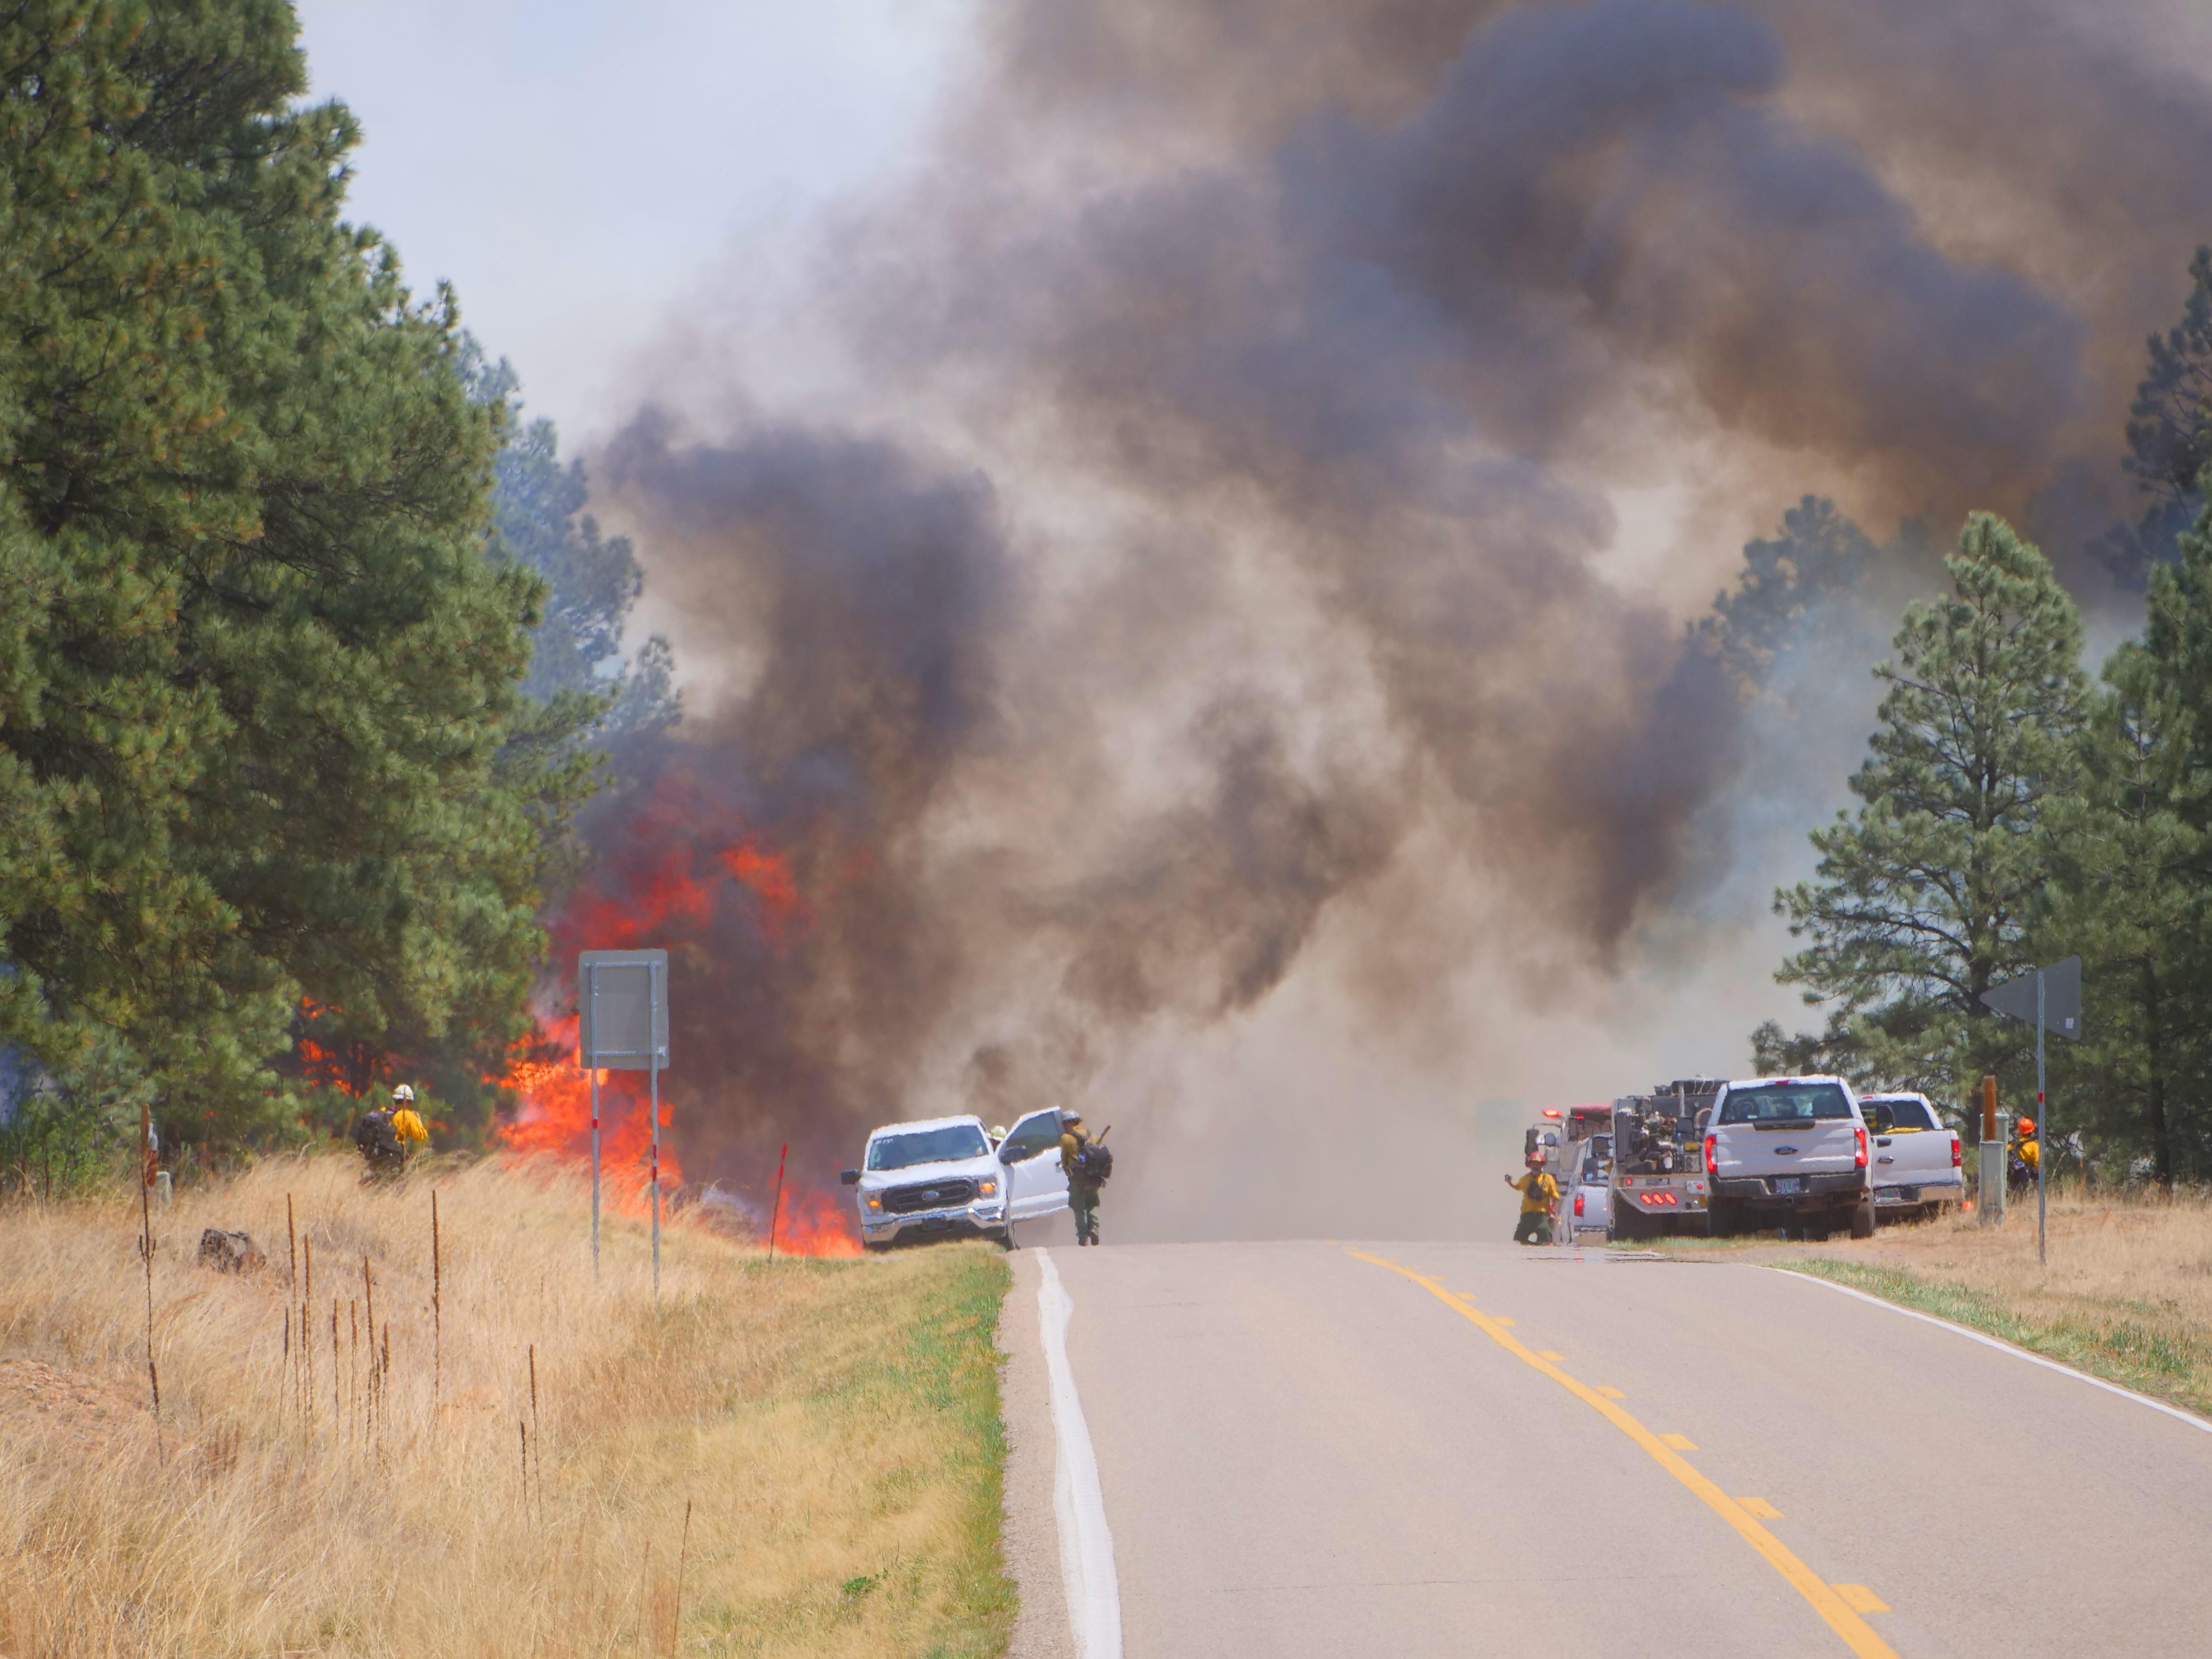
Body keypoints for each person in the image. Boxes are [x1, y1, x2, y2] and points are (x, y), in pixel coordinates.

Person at [1060, 1110, 1103, 1247]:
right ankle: (1094, 1229)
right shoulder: (1092, 1136)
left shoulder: (1066, 1138)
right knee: (1093, 1203)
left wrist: (1067, 1169)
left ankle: (1083, 1236)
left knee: (1079, 1207)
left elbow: (1064, 1159)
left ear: (1068, 1123)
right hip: (1093, 1176)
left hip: (1077, 1177)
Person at [1505, 1154, 1559, 1245]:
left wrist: (1553, 1213)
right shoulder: (1525, 1179)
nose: (1536, 1166)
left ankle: (1543, 1256)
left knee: (1546, 1237)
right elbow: (1517, 1187)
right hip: (1527, 1215)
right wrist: (1509, 1182)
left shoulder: (1548, 1179)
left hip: (1542, 1216)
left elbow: (1555, 1197)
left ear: (1542, 1165)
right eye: (1534, 1164)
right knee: (1518, 1239)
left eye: (1538, 1164)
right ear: (1530, 1165)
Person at [352, 1094, 404, 1184]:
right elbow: (420, 1136)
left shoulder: (379, 1114)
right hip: (390, 1153)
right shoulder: (404, 1115)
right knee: (392, 1182)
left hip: (374, 1153)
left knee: (376, 1177)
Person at [391, 1084, 430, 1169]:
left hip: (377, 1154)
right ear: (408, 1101)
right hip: (395, 1156)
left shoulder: (384, 1111)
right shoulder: (409, 1116)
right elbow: (421, 1137)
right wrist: (419, 1120)